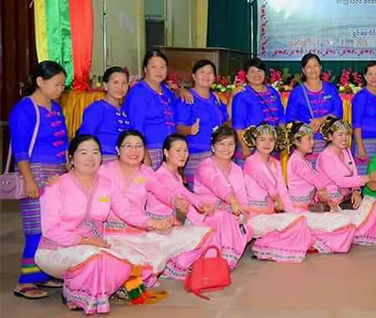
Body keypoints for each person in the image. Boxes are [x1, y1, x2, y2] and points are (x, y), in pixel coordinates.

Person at [34, 135, 136, 313]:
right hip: (56, 250)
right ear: (71, 158)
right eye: (83, 153)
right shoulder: (56, 186)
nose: (90, 158)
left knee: (130, 258)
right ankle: (74, 292)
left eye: (95, 152)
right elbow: (50, 230)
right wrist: (85, 241)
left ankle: (95, 287)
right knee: (95, 258)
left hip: (95, 246)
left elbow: (126, 211)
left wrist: (153, 222)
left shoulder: (106, 185)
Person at [99, 130, 218, 281]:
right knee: (141, 262)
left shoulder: (145, 172)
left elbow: (160, 189)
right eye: (128, 146)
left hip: (140, 234)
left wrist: (174, 200)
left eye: (139, 146)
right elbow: (121, 207)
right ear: (118, 149)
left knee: (200, 236)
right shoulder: (105, 171)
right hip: (113, 236)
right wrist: (154, 222)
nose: (134, 151)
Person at [10, 61, 68, 299]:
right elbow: (20, 148)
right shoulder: (25, 108)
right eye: (57, 84)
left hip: (57, 172)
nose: (61, 89)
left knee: (52, 225)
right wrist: (29, 180)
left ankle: (43, 272)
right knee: (36, 225)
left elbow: (64, 142)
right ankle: (25, 281)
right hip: (35, 171)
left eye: (63, 85)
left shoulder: (56, 107)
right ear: (40, 81)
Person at [152, 134, 249, 269]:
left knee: (231, 224)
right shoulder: (163, 175)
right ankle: (208, 264)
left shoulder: (175, 174)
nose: (183, 155)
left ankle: (219, 262)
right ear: (166, 152)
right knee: (212, 232)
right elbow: (183, 192)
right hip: (164, 226)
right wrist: (200, 208)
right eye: (178, 151)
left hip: (183, 219)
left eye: (185, 151)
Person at [242, 123, 314, 262]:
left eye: (271, 140)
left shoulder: (276, 163)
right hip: (254, 217)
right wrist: (276, 197)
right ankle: (264, 246)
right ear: (254, 141)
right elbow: (263, 180)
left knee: (300, 220)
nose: (267, 143)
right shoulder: (251, 161)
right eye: (262, 139)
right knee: (297, 223)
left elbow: (283, 191)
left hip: (270, 214)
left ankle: (271, 244)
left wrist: (292, 212)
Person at [285, 121, 356, 253]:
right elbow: (315, 179)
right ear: (297, 142)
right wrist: (327, 195)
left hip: (309, 209)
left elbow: (317, 179)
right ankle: (314, 242)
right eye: (309, 139)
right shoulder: (296, 161)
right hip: (300, 213)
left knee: (346, 221)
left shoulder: (303, 160)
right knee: (343, 221)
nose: (313, 143)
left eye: (312, 138)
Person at [316, 118, 376, 247]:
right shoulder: (325, 156)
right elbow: (341, 181)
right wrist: (368, 178)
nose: (344, 138)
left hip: (346, 199)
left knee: (375, 204)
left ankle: (358, 235)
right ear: (330, 136)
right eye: (340, 134)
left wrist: (356, 191)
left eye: (347, 134)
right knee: (344, 226)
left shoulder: (346, 151)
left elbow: (354, 174)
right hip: (330, 202)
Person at [174, 60, 230, 190]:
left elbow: (225, 119)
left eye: (210, 73)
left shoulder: (215, 98)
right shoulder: (187, 98)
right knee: (200, 194)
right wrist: (190, 130)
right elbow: (178, 127)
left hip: (218, 154)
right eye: (202, 72)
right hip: (197, 155)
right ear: (194, 76)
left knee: (220, 193)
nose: (206, 76)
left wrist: (232, 97)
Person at [285, 53, 343, 164]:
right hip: (306, 143)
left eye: (315, 66)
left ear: (320, 67)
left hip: (330, 141)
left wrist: (322, 120)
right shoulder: (297, 92)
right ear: (303, 70)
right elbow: (291, 117)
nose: (313, 69)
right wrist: (306, 128)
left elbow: (338, 111)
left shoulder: (330, 88)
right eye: (309, 67)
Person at [123, 50, 176, 169]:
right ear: (145, 69)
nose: (159, 71)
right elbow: (136, 127)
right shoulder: (139, 92)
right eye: (154, 67)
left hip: (169, 149)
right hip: (151, 151)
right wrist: (144, 154)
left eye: (162, 67)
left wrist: (181, 90)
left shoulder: (166, 90)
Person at [232, 58, 285, 165]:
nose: (257, 74)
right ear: (246, 75)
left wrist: (281, 140)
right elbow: (238, 125)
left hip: (272, 146)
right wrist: (245, 147)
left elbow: (281, 117)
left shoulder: (273, 92)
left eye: (260, 71)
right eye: (252, 71)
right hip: (251, 146)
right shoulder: (242, 95)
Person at [77, 66, 131, 163]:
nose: (120, 87)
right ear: (105, 85)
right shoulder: (96, 109)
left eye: (124, 83)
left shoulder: (126, 110)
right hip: (102, 161)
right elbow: (84, 139)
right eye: (115, 82)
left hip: (125, 160)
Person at [351, 61, 376, 175]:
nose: (373, 77)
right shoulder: (361, 96)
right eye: (370, 74)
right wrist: (360, 147)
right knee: (363, 176)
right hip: (365, 142)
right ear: (365, 76)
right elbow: (356, 124)